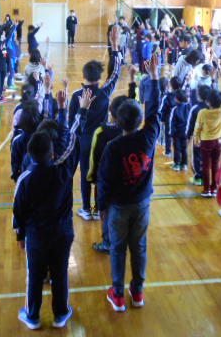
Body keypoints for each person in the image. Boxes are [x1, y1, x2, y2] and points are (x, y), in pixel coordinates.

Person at [13, 87, 91, 331]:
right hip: (62, 231)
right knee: (60, 274)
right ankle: (61, 314)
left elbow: (19, 209)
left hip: (36, 234)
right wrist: (79, 110)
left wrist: (20, 234)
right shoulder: (64, 170)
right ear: (53, 151)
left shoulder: (26, 176)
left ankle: (33, 315)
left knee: (35, 275)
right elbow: (73, 137)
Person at [97, 53, 161, 312]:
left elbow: (104, 181)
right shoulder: (149, 137)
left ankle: (118, 293)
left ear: (116, 121)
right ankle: (138, 291)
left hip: (118, 207)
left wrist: (102, 208)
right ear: (139, 121)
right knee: (139, 247)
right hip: (142, 204)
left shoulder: (113, 147)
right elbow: (155, 110)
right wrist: (154, 78)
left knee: (118, 249)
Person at [69, 25, 122, 221]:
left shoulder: (76, 96)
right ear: (100, 77)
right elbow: (116, 72)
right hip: (102, 139)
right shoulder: (105, 92)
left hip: (84, 142)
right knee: (100, 173)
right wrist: (115, 46)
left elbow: (71, 124)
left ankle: (85, 208)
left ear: (84, 76)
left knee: (85, 174)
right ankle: (99, 208)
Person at [87, 94, 129, 254]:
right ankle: (122, 240)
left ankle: (107, 242)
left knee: (104, 212)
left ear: (110, 111)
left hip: (105, 182)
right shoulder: (130, 132)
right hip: (126, 181)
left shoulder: (101, 132)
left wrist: (92, 177)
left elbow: (94, 157)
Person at [194, 90, 221, 197]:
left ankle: (206, 189)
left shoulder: (202, 112)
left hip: (206, 141)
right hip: (219, 141)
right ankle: (214, 189)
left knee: (206, 165)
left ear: (208, 102)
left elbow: (197, 127)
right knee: (216, 164)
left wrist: (196, 139)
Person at [186, 85, 210, 186]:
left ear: (198, 95)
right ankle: (206, 177)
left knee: (197, 157)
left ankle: (199, 177)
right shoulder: (213, 108)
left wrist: (187, 137)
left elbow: (190, 124)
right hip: (211, 137)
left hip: (199, 138)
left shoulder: (195, 109)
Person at [169, 89, 190, 171]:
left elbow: (172, 122)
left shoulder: (175, 109)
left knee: (177, 148)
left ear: (177, 99)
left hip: (177, 133)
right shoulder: (189, 107)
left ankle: (177, 164)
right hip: (186, 132)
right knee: (184, 148)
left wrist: (171, 134)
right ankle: (184, 164)